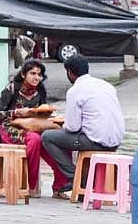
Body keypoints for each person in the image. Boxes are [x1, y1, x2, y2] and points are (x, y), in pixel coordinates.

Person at [41, 55, 125, 197]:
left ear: (69, 72)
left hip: (96, 141)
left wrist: (61, 123)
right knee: (76, 137)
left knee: (48, 137)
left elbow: (72, 127)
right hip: (116, 140)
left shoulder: (75, 90)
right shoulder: (106, 85)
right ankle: (82, 182)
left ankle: (75, 176)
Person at [0, 60, 63, 195]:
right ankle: (28, 184)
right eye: (32, 73)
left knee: (56, 139)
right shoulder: (12, 89)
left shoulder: (40, 90)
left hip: (34, 126)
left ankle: (60, 186)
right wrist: (16, 112)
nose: (36, 77)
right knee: (34, 140)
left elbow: (42, 112)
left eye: (39, 74)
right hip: (10, 127)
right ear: (24, 74)